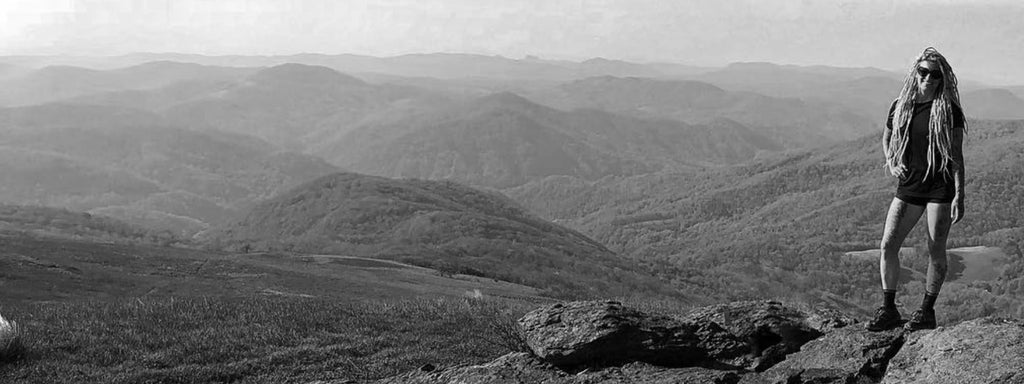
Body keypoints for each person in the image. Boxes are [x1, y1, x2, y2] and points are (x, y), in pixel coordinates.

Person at [867, 47, 967, 332]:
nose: (928, 78)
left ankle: (926, 311)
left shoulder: (948, 111)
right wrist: (891, 161)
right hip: (909, 185)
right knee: (888, 244)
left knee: (935, 249)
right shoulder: (901, 105)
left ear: (943, 78)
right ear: (915, 73)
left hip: (940, 187)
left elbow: (957, 156)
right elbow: (886, 138)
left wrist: (959, 194)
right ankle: (888, 309)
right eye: (923, 72)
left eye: (935, 74)